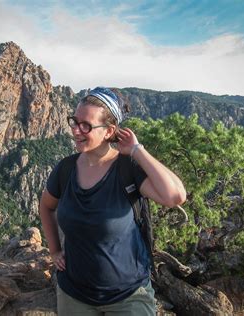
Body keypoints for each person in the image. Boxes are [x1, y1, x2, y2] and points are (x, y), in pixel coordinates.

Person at [39, 87, 186, 315]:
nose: (76, 130)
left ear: (109, 132)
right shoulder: (65, 169)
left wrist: (137, 150)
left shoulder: (128, 170)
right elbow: (46, 207)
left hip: (128, 296)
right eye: (74, 121)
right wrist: (55, 251)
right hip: (74, 295)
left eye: (86, 125)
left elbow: (175, 196)